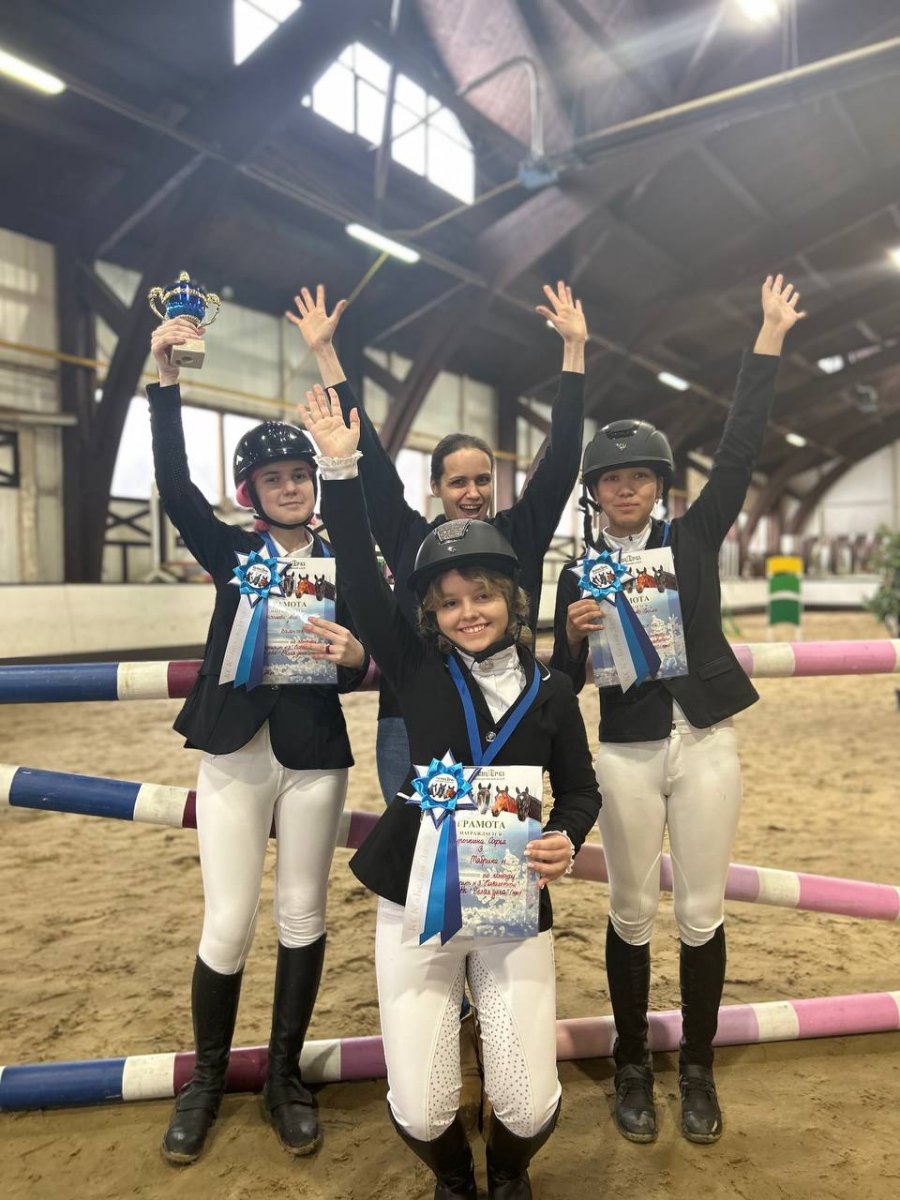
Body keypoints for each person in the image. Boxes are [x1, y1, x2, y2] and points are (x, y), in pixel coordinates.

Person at [296, 383, 601, 1200]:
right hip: (415, 897)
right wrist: (340, 469)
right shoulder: (416, 670)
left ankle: (509, 1170)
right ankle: (455, 1177)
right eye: (452, 603)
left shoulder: (553, 694)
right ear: (431, 613)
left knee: (527, 1101)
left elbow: (580, 792)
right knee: (425, 1106)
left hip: (511, 901)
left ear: (512, 599)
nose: (470, 613)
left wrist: (567, 837)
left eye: (485, 596)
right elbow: (361, 576)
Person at [550, 275, 805, 1146]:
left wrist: (767, 339)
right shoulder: (577, 573)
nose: (626, 490)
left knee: (700, 911)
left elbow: (738, 452)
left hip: (704, 743)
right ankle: (631, 1065)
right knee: (629, 910)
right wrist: (573, 635)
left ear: (658, 486)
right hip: (623, 750)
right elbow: (563, 682)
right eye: (612, 480)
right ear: (595, 492)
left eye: (639, 478)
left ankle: (696, 1068)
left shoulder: (693, 540)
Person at [147, 317, 369, 1165]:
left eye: (299, 475)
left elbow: (369, 647)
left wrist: (356, 658)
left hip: (313, 756)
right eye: (273, 478)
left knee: (303, 914)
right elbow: (174, 487)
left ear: (315, 482)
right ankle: (205, 1080)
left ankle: (283, 1078)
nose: (289, 487)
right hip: (236, 752)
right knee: (229, 921)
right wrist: (166, 384)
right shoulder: (231, 551)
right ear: (251, 492)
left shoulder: (345, 559)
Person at [287, 281, 586, 806]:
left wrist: (574, 351)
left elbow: (560, 464)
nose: (472, 493)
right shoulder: (410, 538)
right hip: (409, 719)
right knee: (414, 849)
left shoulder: (519, 534)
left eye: (483, 480)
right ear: (435, 487)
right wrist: (326, 355)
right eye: (457, 482)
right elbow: (372, 467)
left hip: (506, 713)